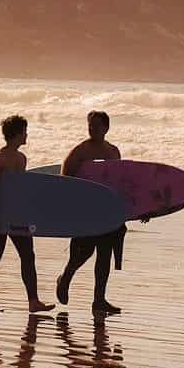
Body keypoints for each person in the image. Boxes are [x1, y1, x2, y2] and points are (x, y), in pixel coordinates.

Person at [0, 115, 56, 316]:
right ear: (17, 134)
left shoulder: (21, 158)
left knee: (28, 256)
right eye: (25, 131)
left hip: (17, 214)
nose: (27, 135)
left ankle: (33, 301)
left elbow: (19, 190)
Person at [56, 110, 124, 316]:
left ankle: (99, 300)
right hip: (85, 209)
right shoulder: (80, 152)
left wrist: (138, 210)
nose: (92, 129)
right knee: (82, 252)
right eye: (90, 125)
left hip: (106, 210)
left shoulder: (114, 152)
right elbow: (64, 178)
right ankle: (66, 277)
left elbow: (121, 182)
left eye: (96, 126)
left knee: (104, 256)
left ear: (106, 128)